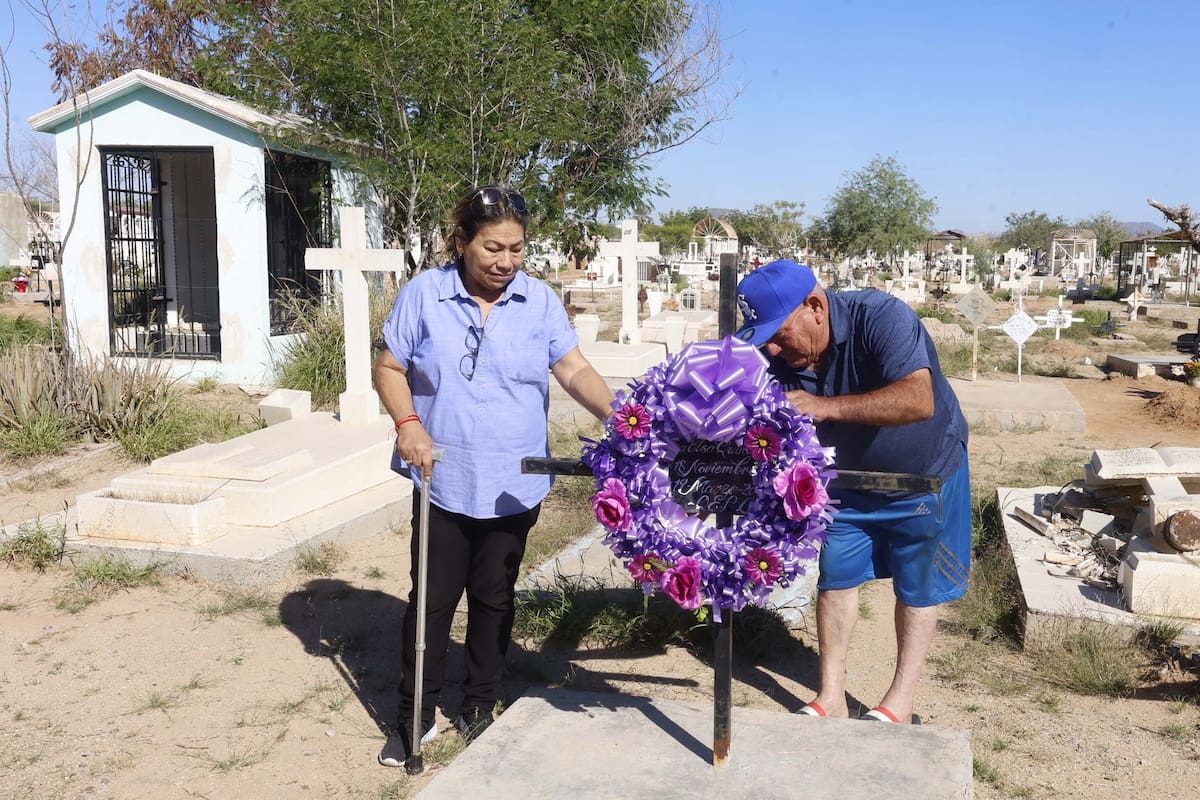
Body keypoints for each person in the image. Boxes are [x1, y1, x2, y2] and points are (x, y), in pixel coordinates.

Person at [372, 185, 614, 766]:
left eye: (517, 248)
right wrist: (408, 422)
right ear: (461, 242)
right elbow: (389, 365)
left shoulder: (539, 301)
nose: (506, 262)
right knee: (431, 602)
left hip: (513, 479)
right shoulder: (425, 295)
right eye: (492, 248)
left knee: (494, 598)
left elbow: (573, 367)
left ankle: (480, 703)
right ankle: (416, 714)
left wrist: (620, 415)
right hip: (443, 476)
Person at [734, 258, 971, 725]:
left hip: (923, 477)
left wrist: (822, 407)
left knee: (917, 588)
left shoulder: (882, 318)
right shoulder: (777, 353)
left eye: (780, 335)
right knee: (836, 579)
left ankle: (899, 702)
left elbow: (918, 399)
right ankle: (831, 696)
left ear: (816, 307)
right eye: (767, 341)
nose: (776, 351)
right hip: (845, 485)